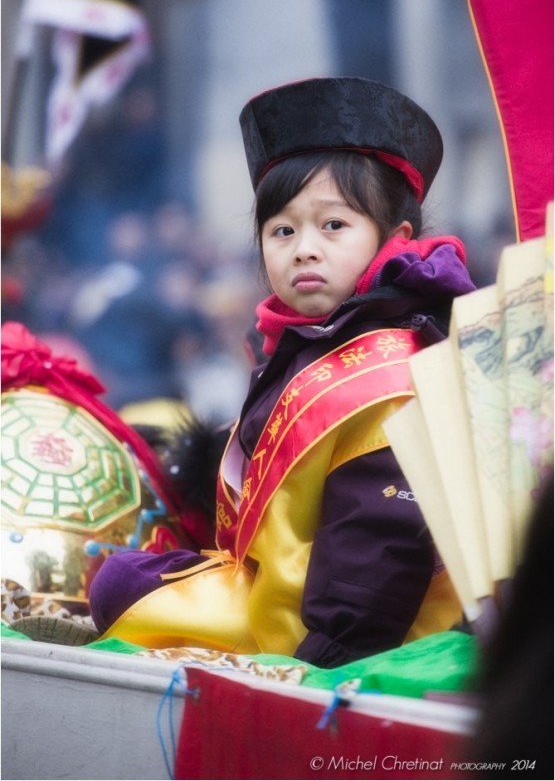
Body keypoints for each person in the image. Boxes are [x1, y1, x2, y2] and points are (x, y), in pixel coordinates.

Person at [89, 77, 476, 668]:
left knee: (124, 591)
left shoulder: (395, 369)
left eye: (334, 225)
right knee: (124, 574)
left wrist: (319, 671)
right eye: (283, 230)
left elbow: (376, 557)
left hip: (335, 639)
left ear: (394, 241)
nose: (304, 249)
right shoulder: (307, 344)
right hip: (280, 596)